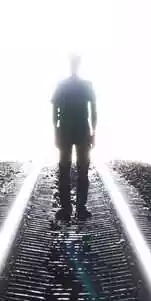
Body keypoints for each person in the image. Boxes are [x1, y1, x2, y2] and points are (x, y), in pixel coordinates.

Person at [52, 54, 97, 221]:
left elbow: (54, 111)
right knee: (82, 170)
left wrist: (55, 131)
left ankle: (66, 209)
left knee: (65, 169)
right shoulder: (86, 85)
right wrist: (93, 132)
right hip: (81, 130)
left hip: (65, 130)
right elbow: (93, 111)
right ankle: (80, 208)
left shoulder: (62, 85)